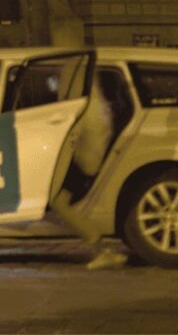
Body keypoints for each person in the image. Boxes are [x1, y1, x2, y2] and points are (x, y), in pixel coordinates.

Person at [50, 74, 128, 270]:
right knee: (59, 202)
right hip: (84, 162)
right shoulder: (103, 106)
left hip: (82, 163)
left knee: (59, 203)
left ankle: (102, 250)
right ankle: (102, 249)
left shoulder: (91, 107)